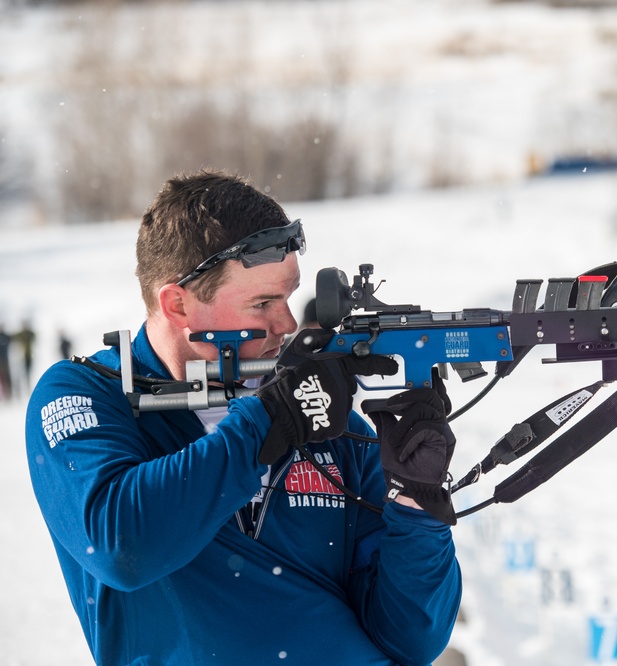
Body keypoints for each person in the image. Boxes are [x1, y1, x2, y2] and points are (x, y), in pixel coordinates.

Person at [25, 170, 462, 665]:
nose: (289, 324)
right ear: (178, 304)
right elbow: (122, 544)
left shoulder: (332, 426)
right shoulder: (86, 396)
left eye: (288, 296)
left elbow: (412, 639)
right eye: (262, 303)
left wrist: (416, 502)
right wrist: (269, 422)